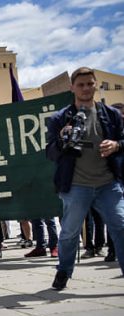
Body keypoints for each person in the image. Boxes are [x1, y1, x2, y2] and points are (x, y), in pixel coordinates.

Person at [46, 67, 124, 290]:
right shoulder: (60, 118)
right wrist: (62, 140)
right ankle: (64, 271)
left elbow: (123, 141)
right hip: (77, 185)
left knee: (120, 226)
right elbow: (50, 153)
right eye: (81, 85)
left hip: (108, 182)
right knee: (70, 231)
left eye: (90, 83)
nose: (86, 88)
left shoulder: (111, 115)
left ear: (95, 84)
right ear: (72, 88)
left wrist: (117, 145)